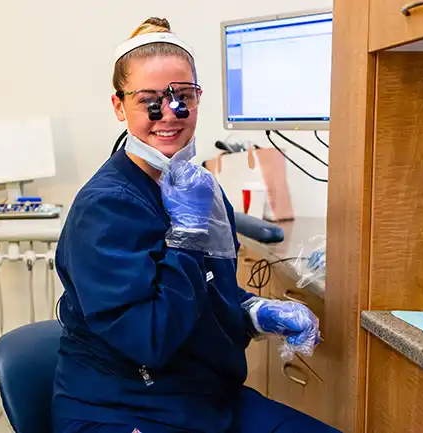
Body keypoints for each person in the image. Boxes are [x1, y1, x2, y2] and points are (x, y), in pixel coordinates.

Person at [51, 17, 341, 433]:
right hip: (124, 407)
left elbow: (205, 288)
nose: (169, 114)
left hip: (200, 397)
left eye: (182, 95)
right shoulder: (106, 207)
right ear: (118, 106)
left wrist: (254, 312)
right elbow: (150, 339)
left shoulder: (196, 187)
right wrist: (184, 237)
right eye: (148, 99)